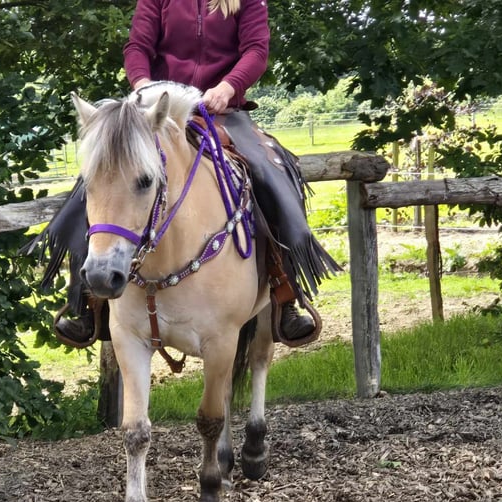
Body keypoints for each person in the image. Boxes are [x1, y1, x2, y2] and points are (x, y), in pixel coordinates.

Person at [34, 0, 339, 347]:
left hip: (223, 112)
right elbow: (137, 46)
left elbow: (256, 49)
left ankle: (285, 294)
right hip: (159, 111)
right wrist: (144, 85)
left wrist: (228, 87)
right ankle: (85, 301)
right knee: (98, 179)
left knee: (271, 173)